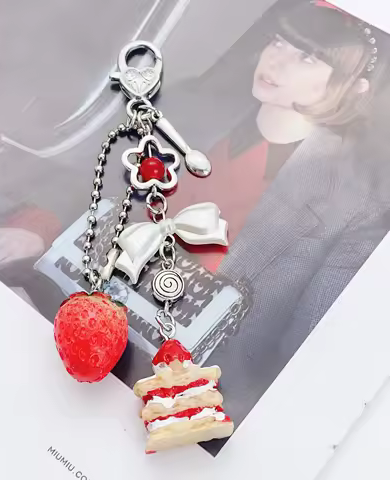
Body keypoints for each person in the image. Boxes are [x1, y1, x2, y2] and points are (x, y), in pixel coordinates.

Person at [156, 0, 390, 434]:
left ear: (354, 87)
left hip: (196, 399)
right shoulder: (192, 106)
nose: (276, 61)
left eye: (307, 57)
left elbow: (304, 362)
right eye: (279, 41)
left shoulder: (359, 208)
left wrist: (207, 421)